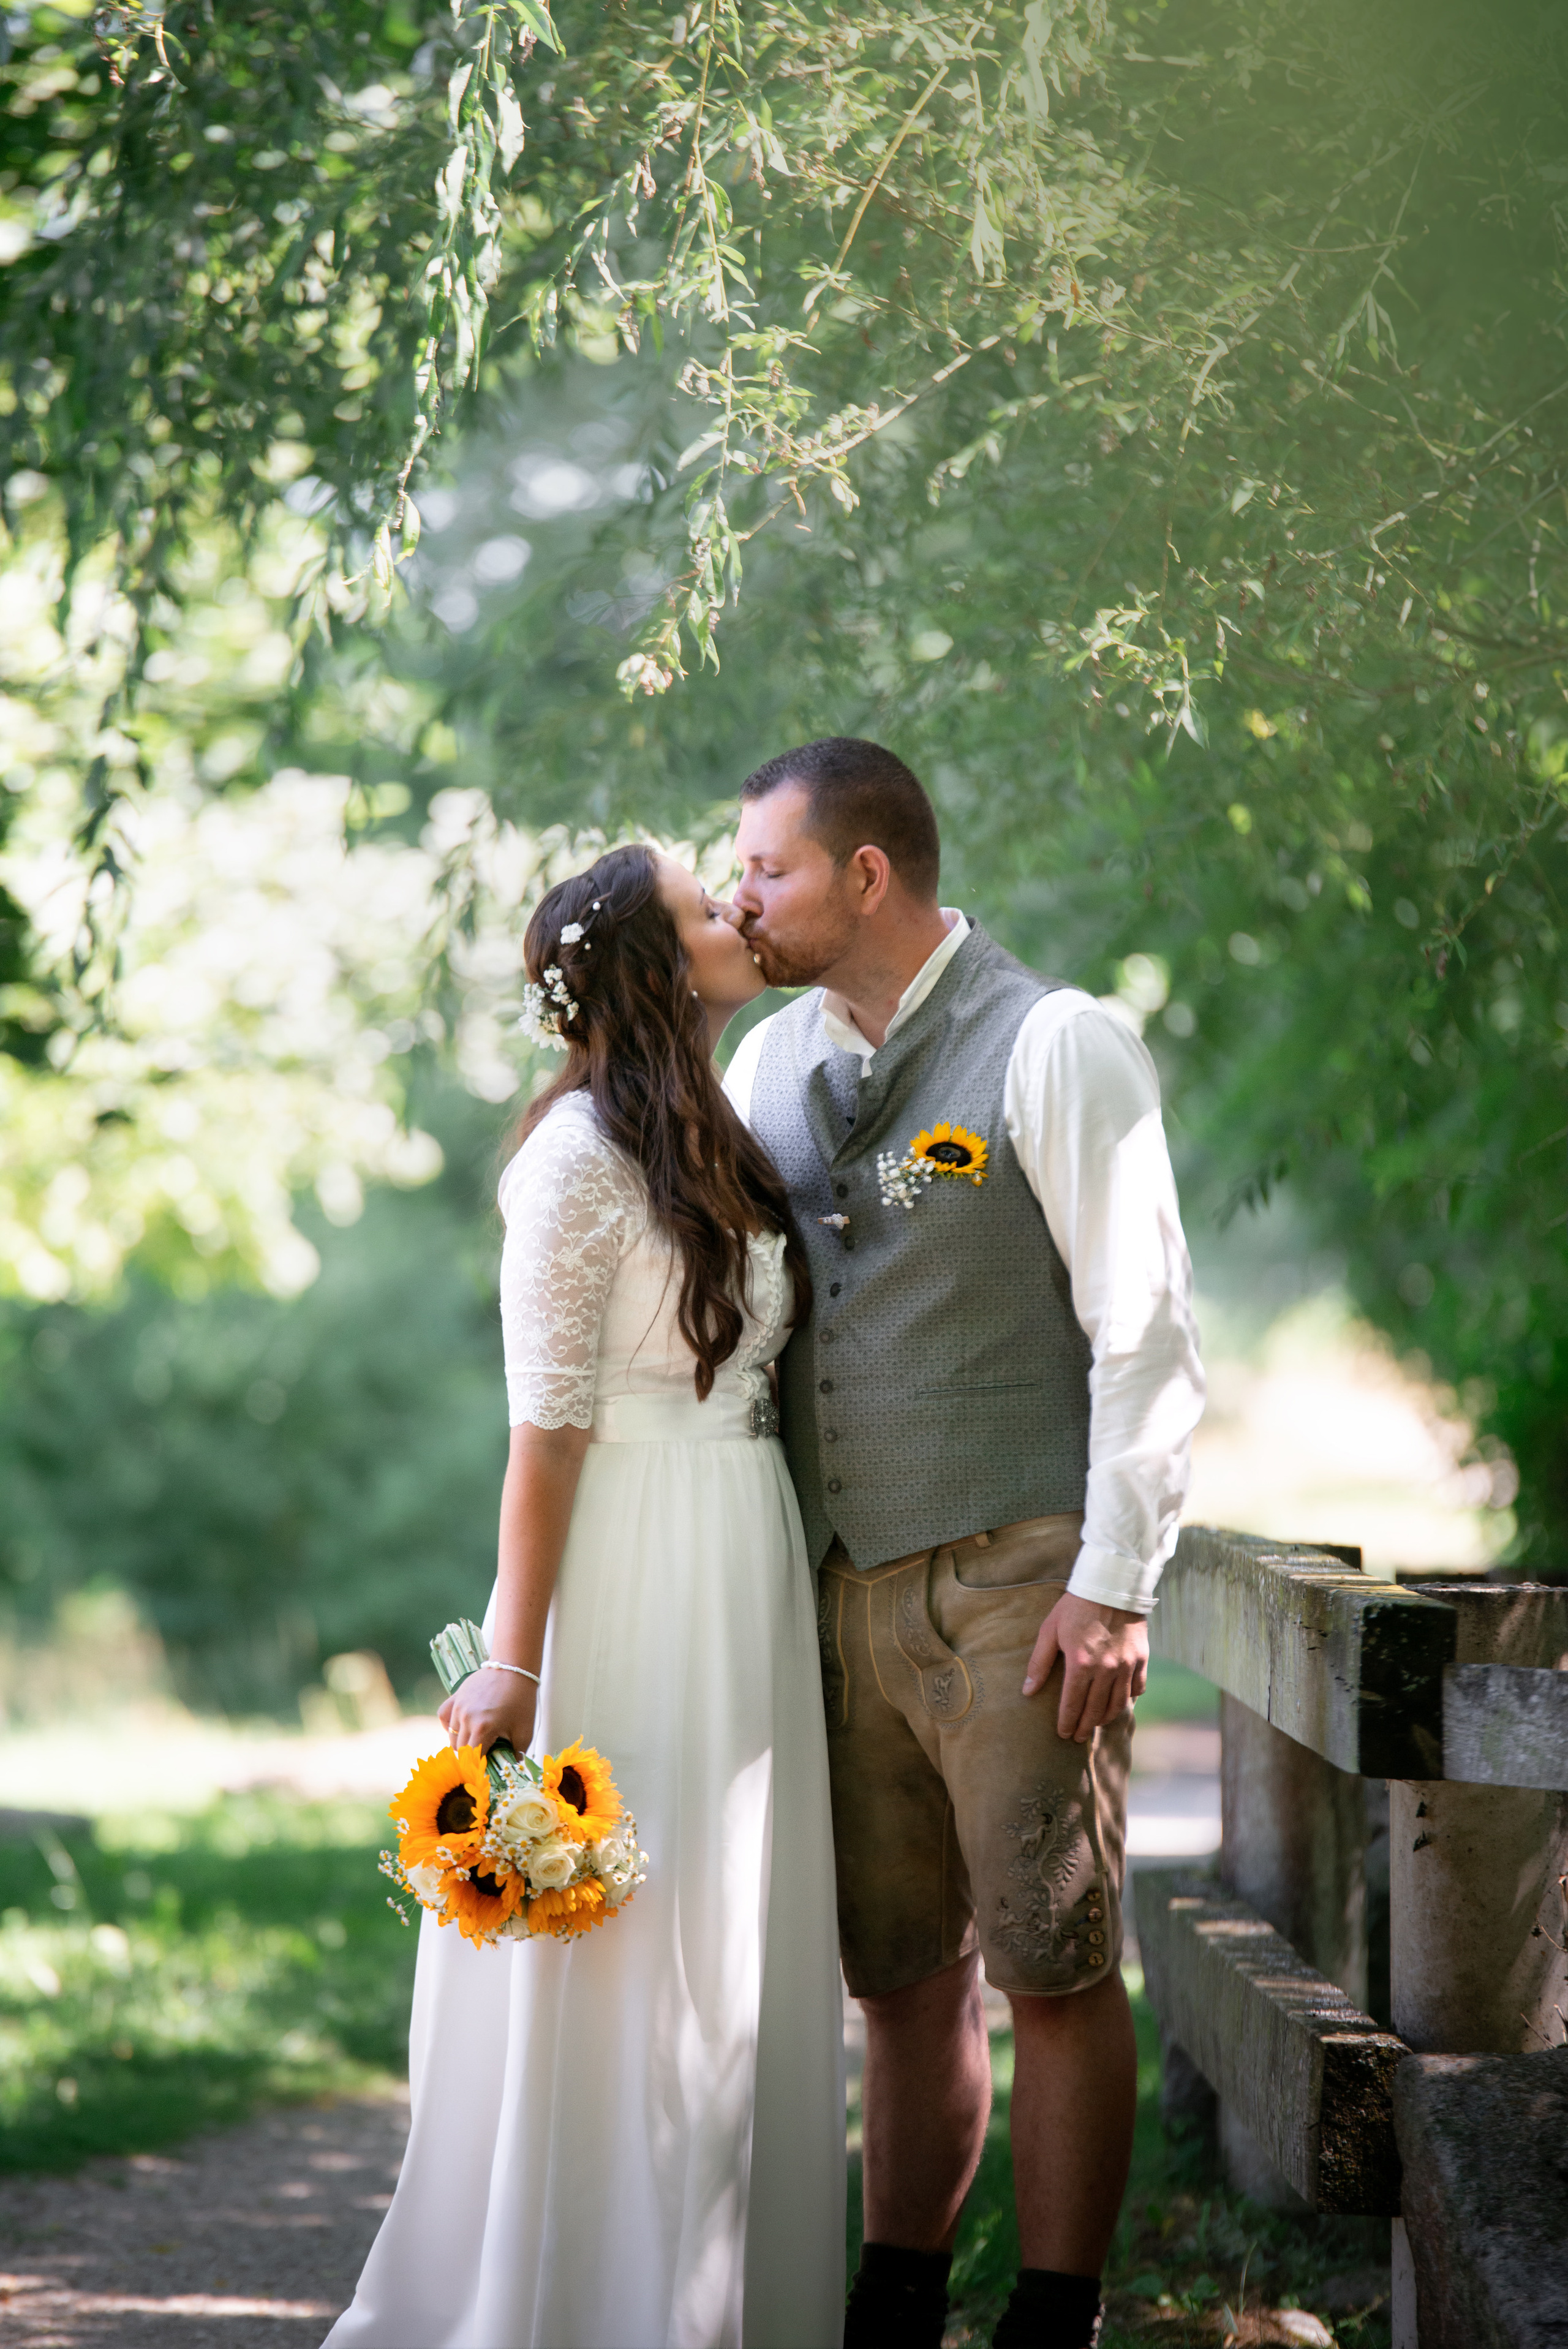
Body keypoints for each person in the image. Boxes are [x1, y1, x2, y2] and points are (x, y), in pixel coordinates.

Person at [326, 843, 846, 2349]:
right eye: (700, 905)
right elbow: (543, 1436)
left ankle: (719, 2297)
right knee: (624, 1930)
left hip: (740, 1554)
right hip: (626, 1569)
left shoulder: (717, 1127)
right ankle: (578, 2301)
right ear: (650, 965)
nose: (732, 909)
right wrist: (513, 1663)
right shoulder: (570, 1162)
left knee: (726, 1935)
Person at [723, 739, 1205, 2349]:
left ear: (865, 873)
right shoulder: (764, 1062)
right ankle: (898, 2307)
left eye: (769, 868)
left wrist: (1113, 1583)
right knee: (899, 1979)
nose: (742, 898)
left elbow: (1145, 1332)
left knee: (1050, 1965)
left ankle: (1055, 2322)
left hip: (1021, 1579)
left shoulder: (1057, 1041)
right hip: (837, 1591)